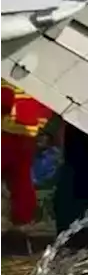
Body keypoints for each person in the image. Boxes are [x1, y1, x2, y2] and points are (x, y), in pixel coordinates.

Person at [0, 78, 52, 237]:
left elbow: (4, 100)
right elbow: (46, 108)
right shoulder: (38, 77)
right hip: (28, 132)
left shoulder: (6, 71)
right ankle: (22, 222)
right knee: (21, 179)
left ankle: (20, 221)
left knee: (19, 178)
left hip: (8, 131)